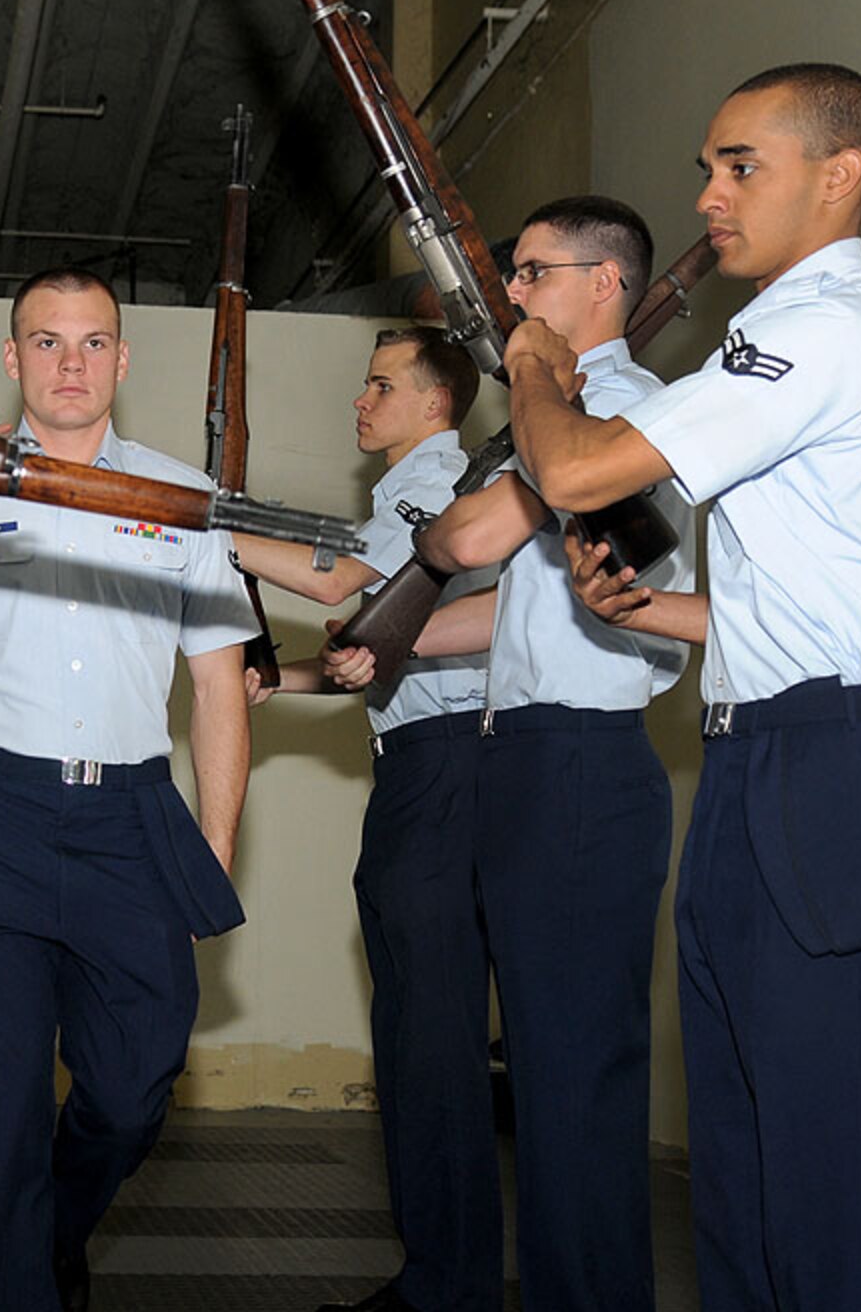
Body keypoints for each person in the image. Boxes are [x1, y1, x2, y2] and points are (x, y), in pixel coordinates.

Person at [502, 65, 861, 1311]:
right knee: (743, 1187)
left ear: (837, 175)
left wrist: (533, 363)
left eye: (739, 166)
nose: (707, 194)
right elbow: (806, 598)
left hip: (830, 767)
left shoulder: (829, 328)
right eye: (706, 166)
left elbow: (574, 472)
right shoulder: (776, 334)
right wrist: (650, 609)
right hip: (758, 757)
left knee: (827, 1192)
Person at [327, 196, 698, 1311]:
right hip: (528, 755)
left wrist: (453, 521)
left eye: (535, 272)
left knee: (573, 1084)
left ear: (606, 284)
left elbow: (470, 536)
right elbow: (513, 609)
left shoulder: (611, 409)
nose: (514, 295)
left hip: (577, 755)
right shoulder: (560, 418)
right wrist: (371, 644)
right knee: (542, 1078)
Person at [0, 268, 256, 1312]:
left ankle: (48, 1231)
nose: (70, 363)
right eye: (46, 341)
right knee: (2, 1097)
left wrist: (212, 848)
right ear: (14, 358)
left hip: (133, 822)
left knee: (133, 1088)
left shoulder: (183, 499)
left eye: (92, 342)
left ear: (122, 360)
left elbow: (219, 685)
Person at [235, 328, 494, 1312]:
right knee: (414, 1036)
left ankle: (446, 1286)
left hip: (446, 768)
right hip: (417, 766)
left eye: (382, 384)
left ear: (436, 403)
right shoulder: (402, 497)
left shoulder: (440, 482)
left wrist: (210, 528)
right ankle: (437, 1276)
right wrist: (283, 680)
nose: (361, 399)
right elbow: (371, 656)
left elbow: (341, 586)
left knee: (431, 1039)